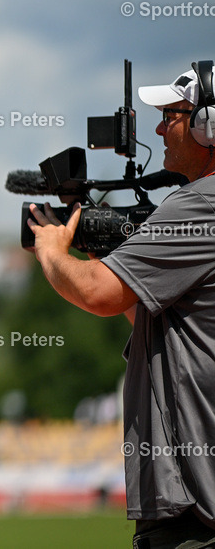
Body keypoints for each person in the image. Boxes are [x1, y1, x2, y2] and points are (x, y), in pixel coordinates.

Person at [28, 63, 215, 549]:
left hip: (198, 514)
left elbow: (98, 295)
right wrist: (107, 254)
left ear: (207, 126)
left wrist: (53, 249)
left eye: (172, 115)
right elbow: (150, 315)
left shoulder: (201, 204)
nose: (158, 128)